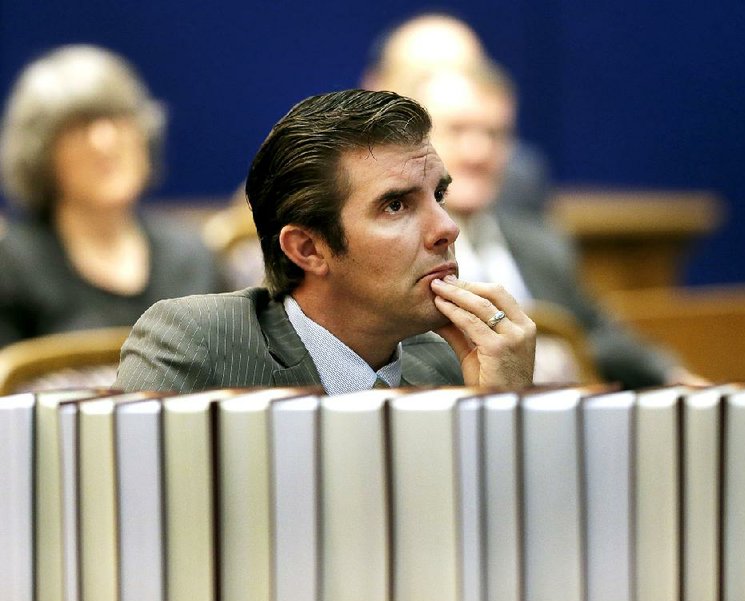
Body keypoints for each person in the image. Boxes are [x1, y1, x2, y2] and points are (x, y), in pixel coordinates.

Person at [114, 89, 536, 394]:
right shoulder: (198, 344)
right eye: (395, 205)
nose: (447, 228)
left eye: (438, 195)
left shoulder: (451, 360)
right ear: (308, 249)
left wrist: (500, 411)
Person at [408, 60, 703, 388]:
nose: (479, 152)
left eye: (496, 134)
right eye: (457, 130)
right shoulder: (405, 250)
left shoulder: (539, 240)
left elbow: (598, 333)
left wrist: (671, 376)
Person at [0, 44, 224, 348]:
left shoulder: (191, 256)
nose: (104, 142)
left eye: (117, 119)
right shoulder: (11, 268)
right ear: (41, 155)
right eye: (78, 126)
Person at [361, 11, 551, 218]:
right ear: (377, 86)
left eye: (470, 71)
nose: (477, 151)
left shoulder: (519, 181)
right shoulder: (345, 174)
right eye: (422, 76)